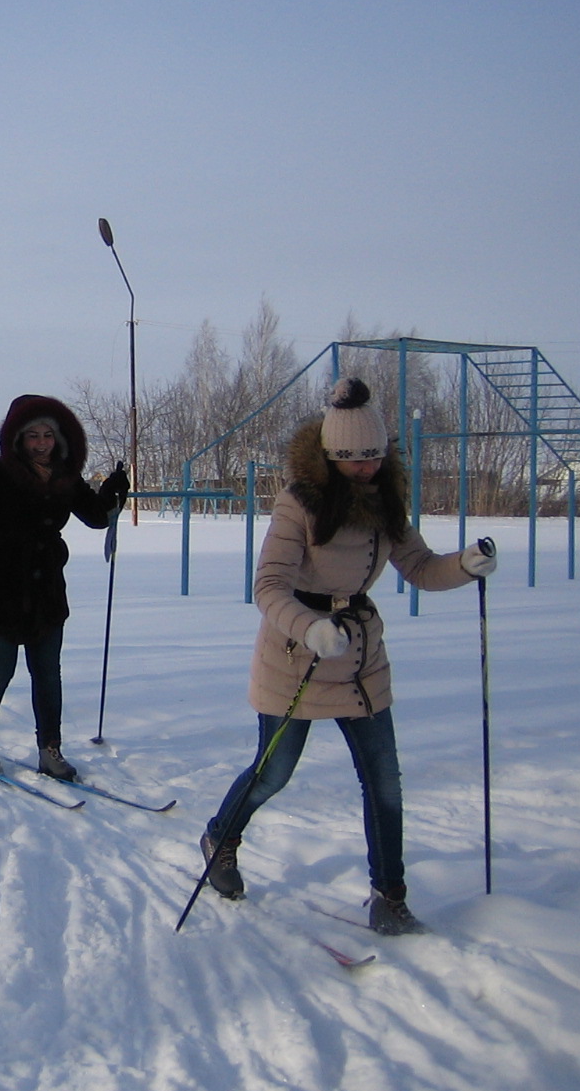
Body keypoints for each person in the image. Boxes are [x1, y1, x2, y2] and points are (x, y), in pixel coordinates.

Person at [198, 377, 497, 935]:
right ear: (333, 458)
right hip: (295, 655)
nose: (368, 467)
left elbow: (420, 567)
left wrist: (464, 565)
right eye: (356, 459)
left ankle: (390, 896)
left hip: (360, 658)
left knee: (385, 782)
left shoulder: (386, 501)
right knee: (272, 773)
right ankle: (221, 837)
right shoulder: (298, 504)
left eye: (375, 456)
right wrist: (310, 627)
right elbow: (268, 586)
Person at [0, 394, 129, 780]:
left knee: (48, 673)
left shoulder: (66, 475)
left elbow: (97, 517)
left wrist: (114, 491)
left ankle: (50, 748)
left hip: (45, 587)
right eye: (33, 435)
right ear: (18, 437)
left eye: (48, 435)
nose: (41, 443)